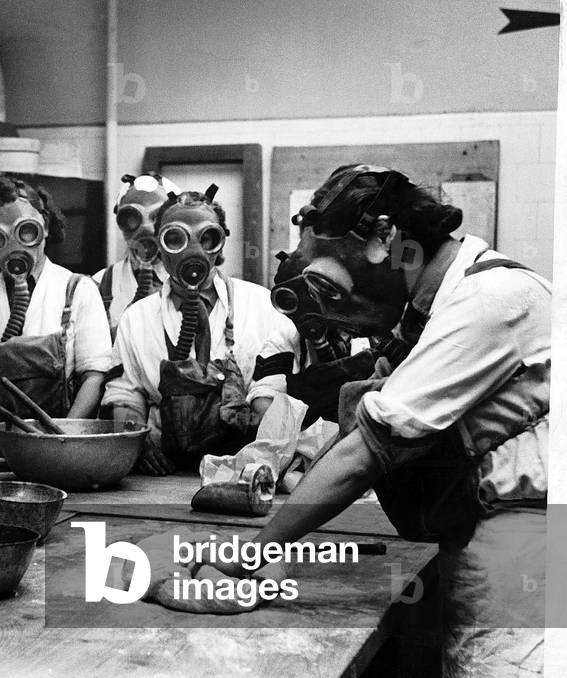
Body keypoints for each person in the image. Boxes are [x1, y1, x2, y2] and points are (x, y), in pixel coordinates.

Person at [215, 165, 550, 677]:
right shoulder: (430, 310)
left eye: (330, 276)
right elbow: (362, 430)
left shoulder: (492, 298)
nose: (335, 303)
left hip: (526, 552)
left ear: (384, 236)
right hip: (484, 532)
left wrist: (252, 554)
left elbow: (363, 453)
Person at [102, 187, 292, 476]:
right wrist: (139, 446)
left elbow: (273, 395)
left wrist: (259, 460)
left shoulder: (260, 305)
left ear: (220, 244)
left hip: (243, 468)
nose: (193, 250)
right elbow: (126, 395)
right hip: (165, 473)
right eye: (175, 238)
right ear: (159, 246)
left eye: (207, 237)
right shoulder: (137, 319)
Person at [0, 174, 113, 442]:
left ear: (45, 228)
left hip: (57, 445)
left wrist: (61, 441)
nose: (14, 245)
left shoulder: (77, 289)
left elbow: (95, 377)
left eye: (26, 231)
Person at [93, 173, 179, 338]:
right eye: (132, 218)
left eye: (157, 216)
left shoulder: (192, 281)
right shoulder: (100, 284)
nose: (146, 228)